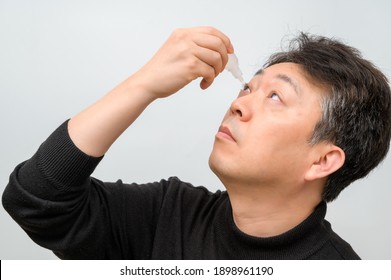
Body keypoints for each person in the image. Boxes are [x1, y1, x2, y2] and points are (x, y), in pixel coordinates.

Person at [2, 26, 391, 260]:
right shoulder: (169, 215)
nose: (239, 105)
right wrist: (145, 84)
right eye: (247, 87)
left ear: (323, 161)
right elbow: (34, 200)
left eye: (276, 97)